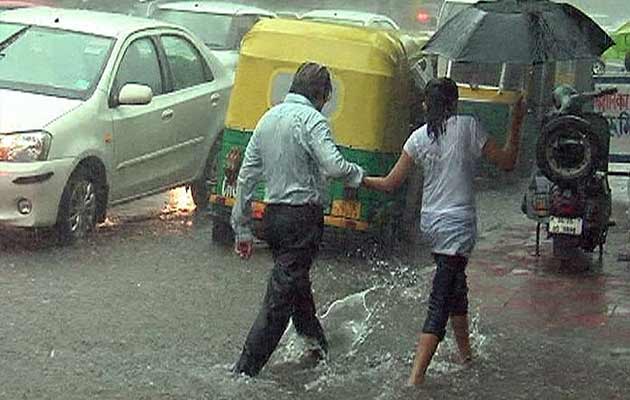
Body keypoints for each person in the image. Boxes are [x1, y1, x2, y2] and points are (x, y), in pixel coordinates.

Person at [363, 77, 526, 385]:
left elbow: (389, 183)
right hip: (458, 226)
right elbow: (507, 162)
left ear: (427, 105)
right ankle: (416, 377)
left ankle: (466, 356)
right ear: (454, 103)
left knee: (455, 285)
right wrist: (516, 122)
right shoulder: (469, 127)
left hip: (433, 226)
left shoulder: (417, 138)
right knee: (441, 296)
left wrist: (358, 178)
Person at [230, 62, 365, 377]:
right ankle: (243, 372)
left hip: (274, 218)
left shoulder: (267, 119)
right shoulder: (312, 121)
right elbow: (333, 166)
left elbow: (247, 176)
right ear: (321, 95)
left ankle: (319, 351)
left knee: (297, 290)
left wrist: (243, 228)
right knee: (280, 300)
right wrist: (358, 174)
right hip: (302, 220)